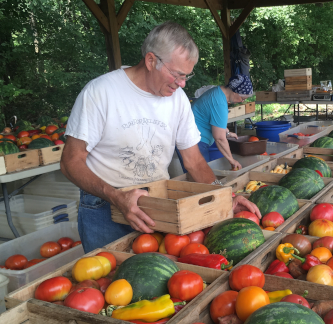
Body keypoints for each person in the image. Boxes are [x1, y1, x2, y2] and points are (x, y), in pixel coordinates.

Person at [61, 21, 260, 252]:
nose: (182, 83)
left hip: (158, 206)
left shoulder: (178, 100)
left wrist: (226, 197)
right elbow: (70, 161)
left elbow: (194, 161)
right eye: (177, 75)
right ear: (151, 60)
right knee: (109, 281)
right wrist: (116, 197)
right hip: (105, 206)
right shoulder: (101, 92)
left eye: (187, 75)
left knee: (154, 282)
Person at [176, 75, 254, 172]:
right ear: (234, 92)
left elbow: (210, 120)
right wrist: (232, 160)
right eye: (242, 98)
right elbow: (220, 139)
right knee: (200, 179)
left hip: (191, 137)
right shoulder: (219, 103)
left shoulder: (217, 92)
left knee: (201, 177)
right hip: (192, 141)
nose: (242, 101)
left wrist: (227, 133)